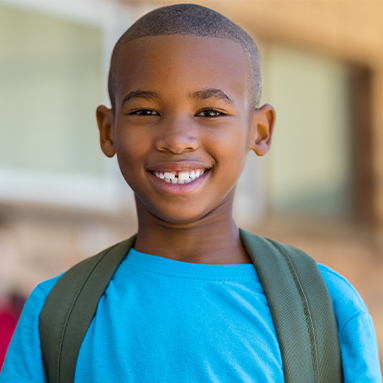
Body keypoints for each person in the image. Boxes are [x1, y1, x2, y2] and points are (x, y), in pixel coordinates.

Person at [1, 4, 381, 382]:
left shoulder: (322, 307)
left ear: (260, 130)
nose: (177, 140)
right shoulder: (57, 313)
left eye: (211, 112)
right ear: (108, 130)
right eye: (145, 112)